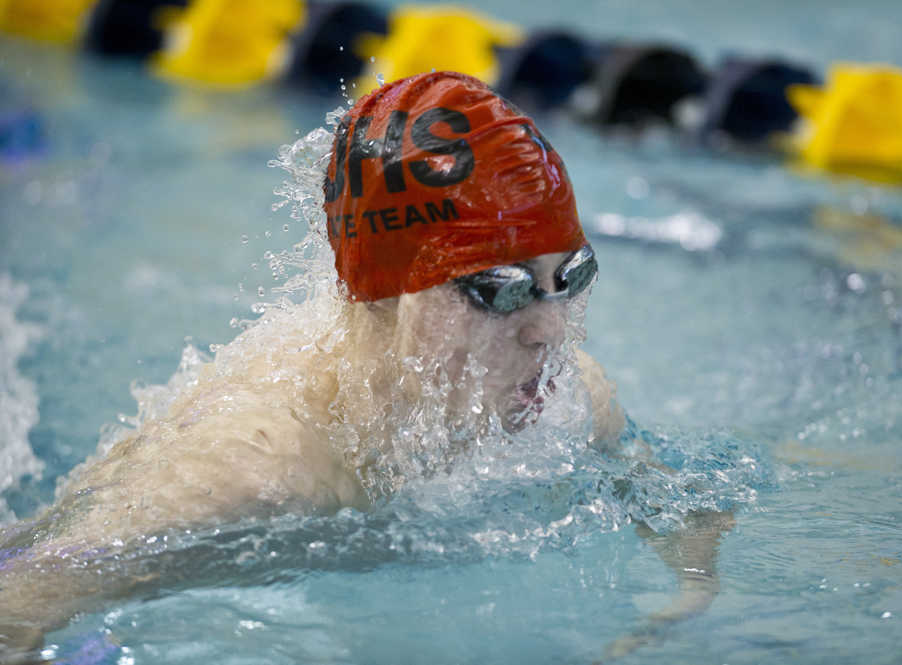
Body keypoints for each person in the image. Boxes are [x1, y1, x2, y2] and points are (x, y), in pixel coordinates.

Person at [0, 71, 728, 663]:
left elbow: (680, 501)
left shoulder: (572, 399)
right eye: (497, 290)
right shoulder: (253, 473)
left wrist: (673, 616)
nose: (548, 330)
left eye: (567, 276)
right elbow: (20, 601)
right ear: (382, 295)